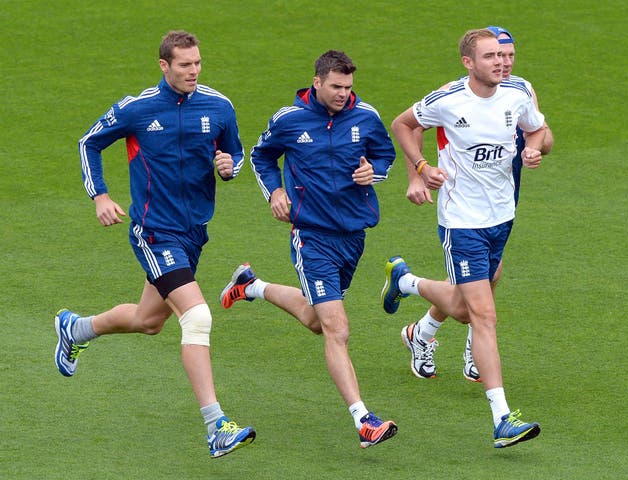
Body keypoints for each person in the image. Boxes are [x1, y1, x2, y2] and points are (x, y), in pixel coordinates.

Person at [54, 31, 256, 458]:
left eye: (198, 63)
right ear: (164, 66)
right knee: (198, 316)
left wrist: (228, 166)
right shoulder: (138, 108)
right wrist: (101, 197)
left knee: (149, 320)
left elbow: (236, 155)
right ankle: (216, 425)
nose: (194, 71)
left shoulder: (218, 106)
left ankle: (76, 329)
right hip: (154, 230)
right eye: (184, 65)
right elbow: (88, 142)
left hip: (194, 232)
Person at [219, 50, 398, 448]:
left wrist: (375, 171)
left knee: (317, 319)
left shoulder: (364, 116)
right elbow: (261, 155)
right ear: (316, 82)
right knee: (337, 328)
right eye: (336, 86)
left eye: (348, 87)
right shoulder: (289, 120)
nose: (343, 94)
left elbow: (385, 154)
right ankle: (363, 420)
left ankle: (251, 286)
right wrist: (275, 192)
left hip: (353, 237)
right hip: (312, 237)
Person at [385, 28, 547, 448]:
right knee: (482, 316)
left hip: (503, 217)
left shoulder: (518, 93)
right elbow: (402, 124)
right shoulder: (448, 100)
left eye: (504, 55)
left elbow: (540, 131)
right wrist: (421, 169)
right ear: (468, 63)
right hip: (462, 222)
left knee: (462, 308)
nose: (501, 62)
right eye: (491, 56)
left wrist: (534, 149)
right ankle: (501, 417)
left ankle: (408, 293)